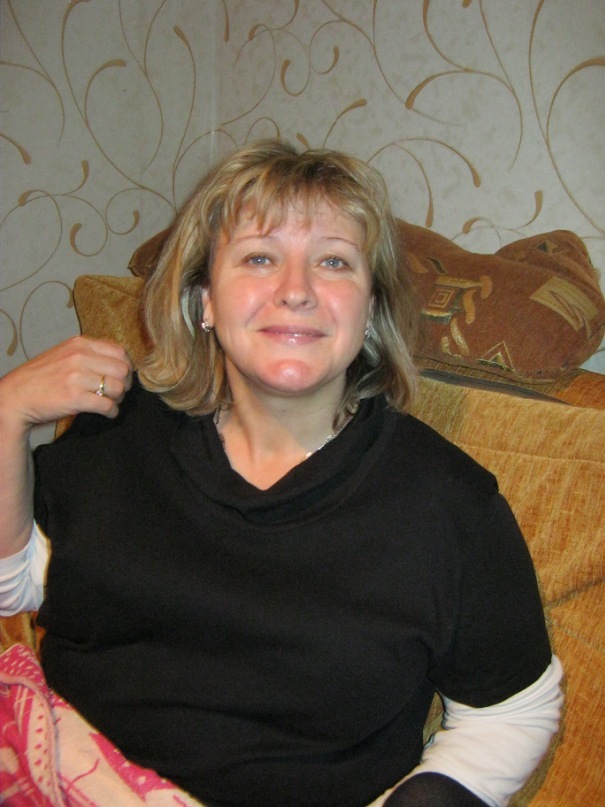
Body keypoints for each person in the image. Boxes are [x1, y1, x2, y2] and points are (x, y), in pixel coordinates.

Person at [0, 139, 562, 807]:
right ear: (205, 299)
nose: (295, 290)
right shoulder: (118, 430)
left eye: (333, 261)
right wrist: (7, 414)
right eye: (260, 258)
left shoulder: (446, 503)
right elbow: (20, 585)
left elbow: (511, 712)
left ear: (370, 309)